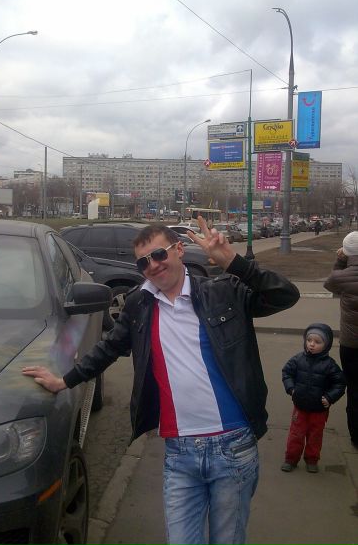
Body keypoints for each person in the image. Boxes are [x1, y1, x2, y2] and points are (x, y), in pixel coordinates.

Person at [23, 218, 300, 545]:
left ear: (179, 249)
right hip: (180, 453)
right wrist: (64, 381)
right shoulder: (139, 304)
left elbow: (285, 295)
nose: (153, 265)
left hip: (233, 446)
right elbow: (109, 348)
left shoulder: (223, 291)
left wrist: (234, 262)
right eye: (143, 262)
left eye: (158, 254)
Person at [280, 323, 346, 473]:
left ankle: (312, 459)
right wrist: (291, 388)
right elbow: (287, 372)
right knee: (296, 434)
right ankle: (291, 459)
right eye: (309, 340)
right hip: (300, 407)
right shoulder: (298, 359)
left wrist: (329, 397)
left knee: (315, 435)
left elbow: (340, 384)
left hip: (319, 410)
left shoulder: (330, 365)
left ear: (326, 344)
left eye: (317, 342)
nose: (311, 344)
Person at [324, 231, 358, 449]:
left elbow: (330, 284)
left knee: (354, 389)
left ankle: (356, 435)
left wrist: (340, 261)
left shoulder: (341, 277)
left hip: (350, 345)